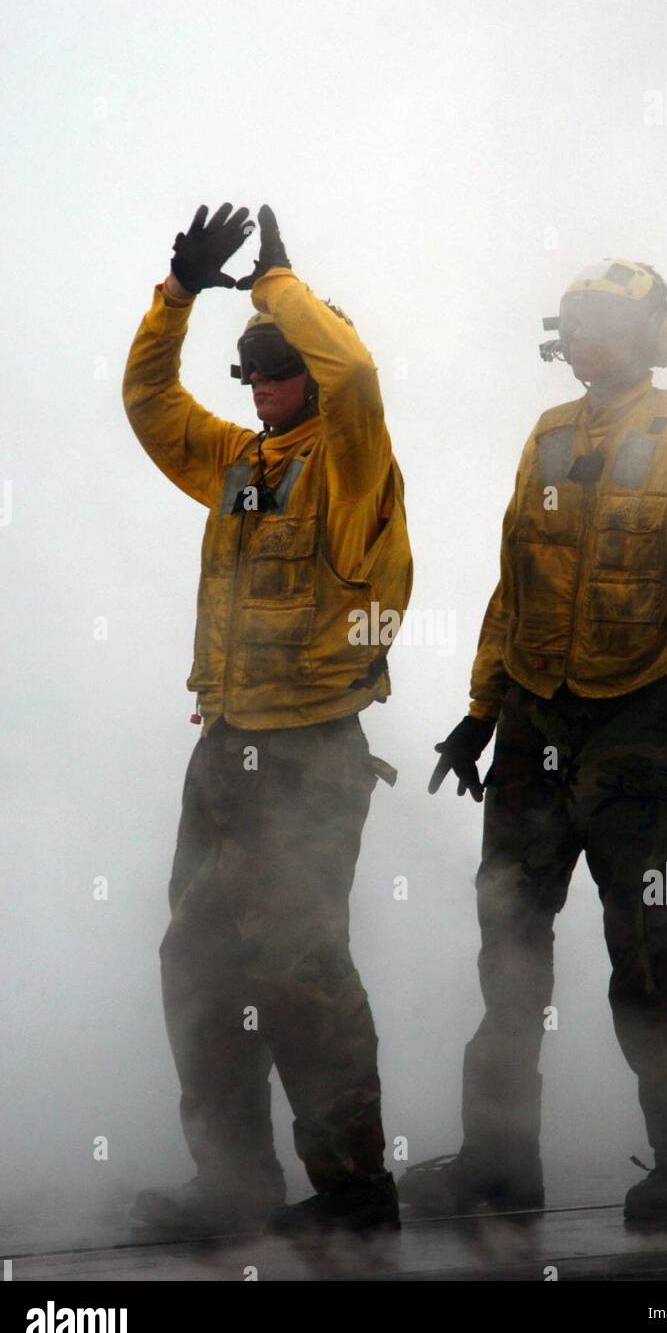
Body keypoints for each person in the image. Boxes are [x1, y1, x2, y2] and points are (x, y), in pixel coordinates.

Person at [399, 259, 667, 1222]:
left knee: (642, 937)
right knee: (508, 935)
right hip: (534, 714)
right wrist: (482, 711)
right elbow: (511, 581)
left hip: (641, 717)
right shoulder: (548, 434)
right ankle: (497, 1162)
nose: (584, 339)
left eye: (602, 321)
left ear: (652, 332)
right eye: (575, 322)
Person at [122, 202, 413, 1235]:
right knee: (198, 959)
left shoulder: (352, 462)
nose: (253, 387)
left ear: (309, 370)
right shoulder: (244, 465)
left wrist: (276, 284)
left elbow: (362, 377)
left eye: (271, 368)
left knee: (300, 967)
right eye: (245, 373)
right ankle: (233, 1183)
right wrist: (177, 299)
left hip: (309, 755)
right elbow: (151, 408)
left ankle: (352, 1190)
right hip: (227, 747)